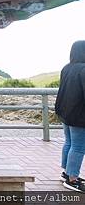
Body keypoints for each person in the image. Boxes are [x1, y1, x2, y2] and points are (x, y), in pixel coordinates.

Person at [55, 40, 85, 193]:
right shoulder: (84, 69)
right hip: (79, 116)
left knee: (69, 143)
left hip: (66, 113)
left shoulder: (66, 68)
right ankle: (72, 179)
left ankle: (66, 172)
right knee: (79, 147)